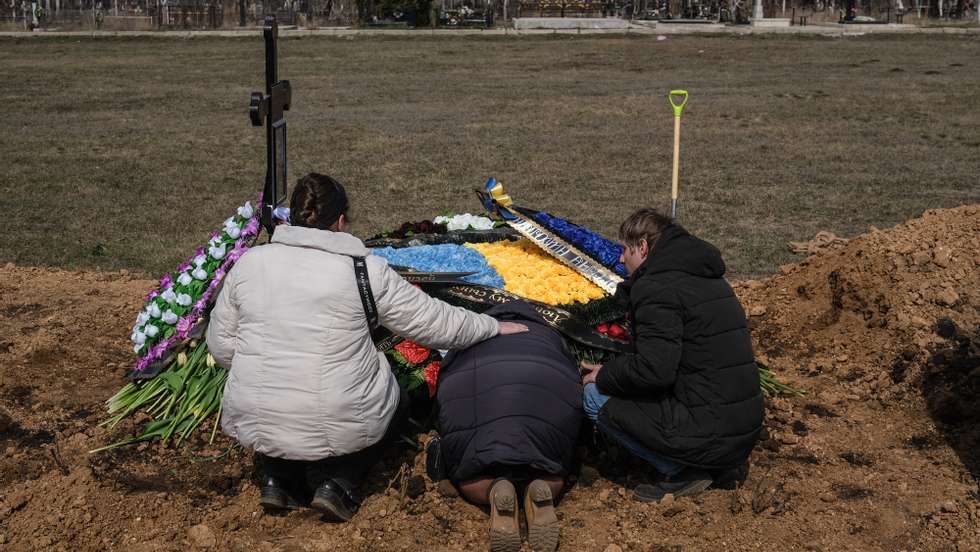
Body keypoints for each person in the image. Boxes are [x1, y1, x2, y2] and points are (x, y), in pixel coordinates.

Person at [206, 173, 527, 521]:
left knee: (279, 400)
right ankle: (340, 483)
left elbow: (222, 347)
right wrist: (493, 325)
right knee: (397, 400)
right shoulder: (363, 271)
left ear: (293, 217)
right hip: (333, 419)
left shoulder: (250, 263)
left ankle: (277, 479)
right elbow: (436, 324)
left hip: (254, 417)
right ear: (341, 221)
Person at [580, 208, 763, 503]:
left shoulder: (656, 288)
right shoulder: (705, 274)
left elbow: (656, 371)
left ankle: (684, 471)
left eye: (625, 249)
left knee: (593, 395)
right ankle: (714, 465)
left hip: (712, 434)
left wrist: (606, 374)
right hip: (741, 430)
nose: (620, 258)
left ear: (643, 246)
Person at [427, 301, 582, 552]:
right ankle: (541, 487)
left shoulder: (469, 333)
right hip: (543, 420)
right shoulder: (549, 335)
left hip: (481, 425)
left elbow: (445, 387)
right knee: (550, 463)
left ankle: (492, 490)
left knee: (470, 471)